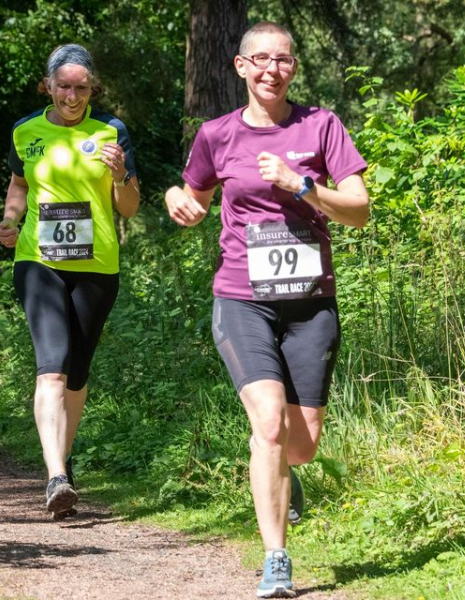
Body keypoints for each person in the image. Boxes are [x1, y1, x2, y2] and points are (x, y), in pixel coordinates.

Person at [164, 22, 369, 598]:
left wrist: (303, 185)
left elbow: (358, 210)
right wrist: (178, 202)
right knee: (269, 423)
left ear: (293, 67)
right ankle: (276, 559)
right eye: (261, 60)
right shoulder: (216, 134)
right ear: (239, 66)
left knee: (301, 445)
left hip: (310, 304)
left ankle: (283, 474)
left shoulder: (320, 125)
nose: (272, 70)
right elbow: (190, 192)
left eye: (283, 60)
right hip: (241, 298)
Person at [0, 44, 140, 519]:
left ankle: (64, 462)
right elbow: (19, 185)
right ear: (48, 86)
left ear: (92, 89)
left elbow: (130, 207)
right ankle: (56, 475)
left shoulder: (110, 130)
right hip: (39, 259)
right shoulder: (24, 130)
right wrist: (10, 219)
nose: (72, 96)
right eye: (63, 87)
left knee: (77, 373)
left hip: (97, 264)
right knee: (52, 366)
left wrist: (120, 176)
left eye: (81, 88)